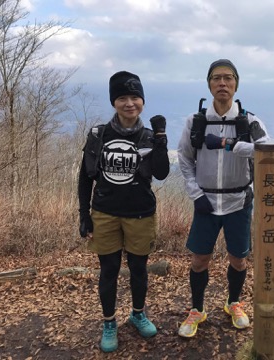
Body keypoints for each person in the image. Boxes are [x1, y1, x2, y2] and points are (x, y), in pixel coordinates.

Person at [177, 59, 270, 338]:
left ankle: (233, 303)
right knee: (199, 260)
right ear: (209, 84)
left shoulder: (250, 122)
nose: (222, 83)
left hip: (238, 201)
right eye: (216, 78)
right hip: (206, 201)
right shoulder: (196, 122)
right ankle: (197, 309)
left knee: (238, 259)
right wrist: (195, 194)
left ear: (236, 84)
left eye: (228, 78)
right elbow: (184, 159)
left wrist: (231, 144)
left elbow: (267, 153)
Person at [78, 71, 170, 352]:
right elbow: (84, 177)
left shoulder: (149, 135)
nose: (129, 103)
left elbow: (162, 173)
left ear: (142, 100)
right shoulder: (99, 134)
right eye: (122, 98)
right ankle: (109, 322)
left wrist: (161, 139)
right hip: (105, 212)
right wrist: (84, 214)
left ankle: (138, 313)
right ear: (113, 102)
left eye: (135, 97)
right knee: (109, 270)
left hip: (140, 212)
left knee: (139, 269)